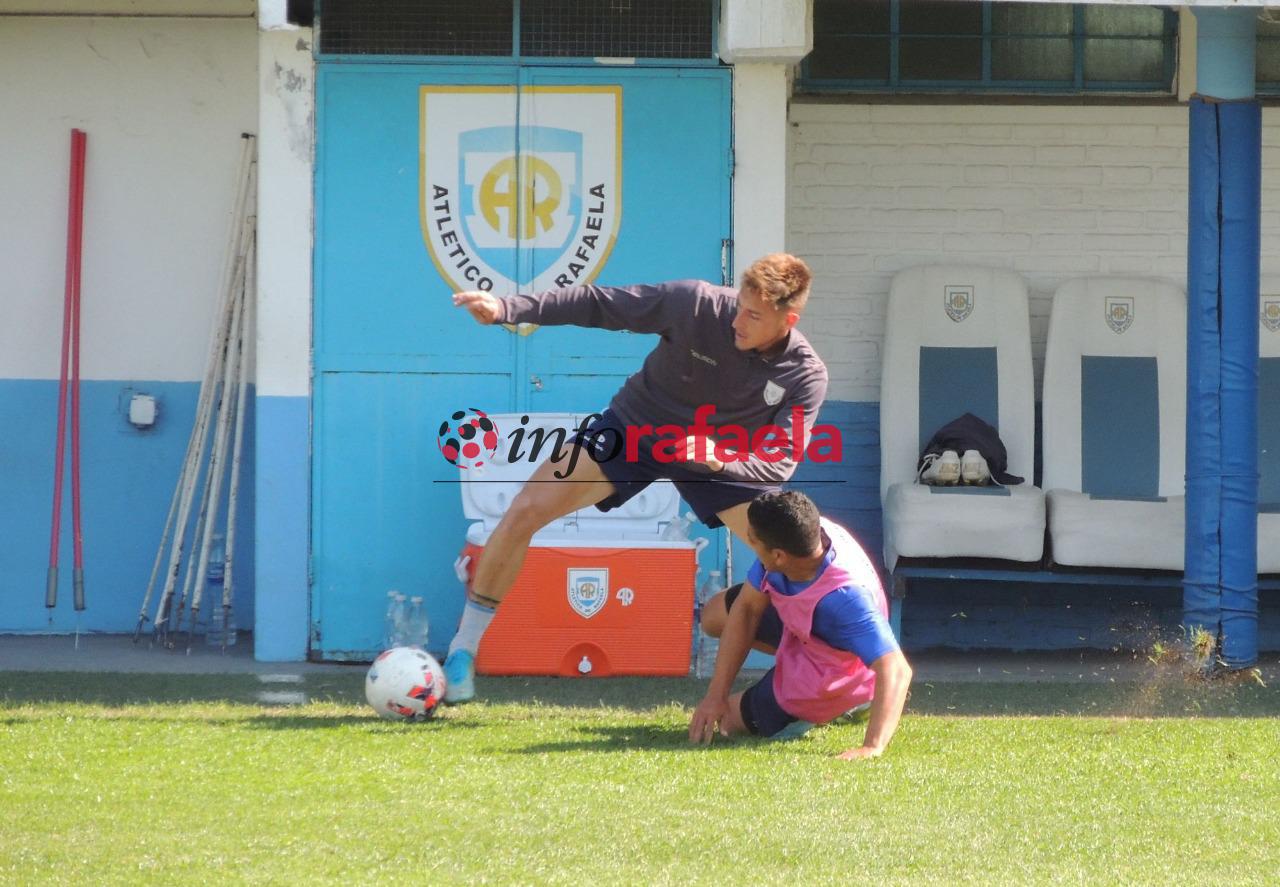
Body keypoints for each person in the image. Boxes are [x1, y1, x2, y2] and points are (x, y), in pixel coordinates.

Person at [443, 254, 824, 702]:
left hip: (719, 460)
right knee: (526, 508)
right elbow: (600, 303)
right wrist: (509, 308)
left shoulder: (805, 374)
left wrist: (721, 460)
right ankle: (462, 652)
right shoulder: (695, 303)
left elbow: (779, 461)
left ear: (788, 319)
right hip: (634, 429)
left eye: (754, 315)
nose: (737, 320)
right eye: (739, 305)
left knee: (791, 557)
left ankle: (825, 665)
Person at [688, 491, 912, 758]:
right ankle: (792, 662)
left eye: (753, 541)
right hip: (801, 627)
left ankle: (850, 702)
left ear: (779, 556)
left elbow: (897, 669)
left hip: (828, 675)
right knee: (714, 614)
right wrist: (715, 695)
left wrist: (872, 747)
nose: (749, 542)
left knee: (726, 723)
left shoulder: (846, 600)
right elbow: (747, 609)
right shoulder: (802, 534)